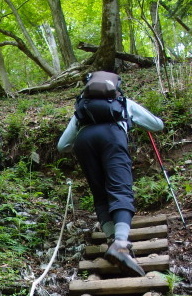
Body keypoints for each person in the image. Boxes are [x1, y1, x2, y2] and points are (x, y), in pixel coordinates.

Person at [57, 72, 164, 277]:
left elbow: (62, 146)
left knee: (100, 195)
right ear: (115, 86)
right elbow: (157, 125)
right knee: (120, 188)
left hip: (84, 141)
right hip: (113, 136)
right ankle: (121, 245)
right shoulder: (121, 101)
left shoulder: (82, 107)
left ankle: (111, 241)